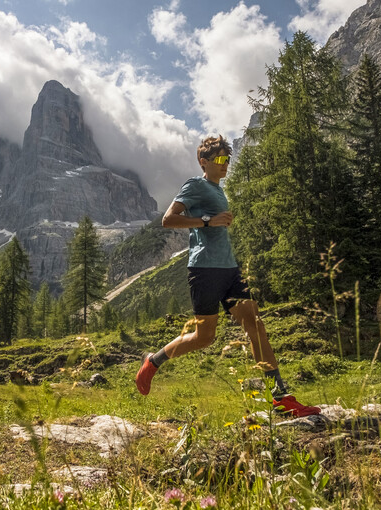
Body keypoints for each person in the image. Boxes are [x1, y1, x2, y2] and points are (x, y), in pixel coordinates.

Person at [134, 135, 320, 418]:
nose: (225, 165)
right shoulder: (195, 185)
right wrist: (208, 221)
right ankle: (153, 361)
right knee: (203, 337)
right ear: (203, 162)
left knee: (255, 324)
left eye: (227, 160)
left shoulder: (220, 191)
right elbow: (168, 219)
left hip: (229, 270)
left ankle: (279, 397)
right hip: (204, 270)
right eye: (220, 160)